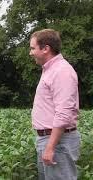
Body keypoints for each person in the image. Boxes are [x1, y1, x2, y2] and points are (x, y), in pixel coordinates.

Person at [30, 29, 81, 179]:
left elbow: (64, 113)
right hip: (50, 140)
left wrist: (50, 147)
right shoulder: (50, 70)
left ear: (46, 49)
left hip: (58, 141)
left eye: (33, 48)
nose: (30, 53)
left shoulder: (61, 71)